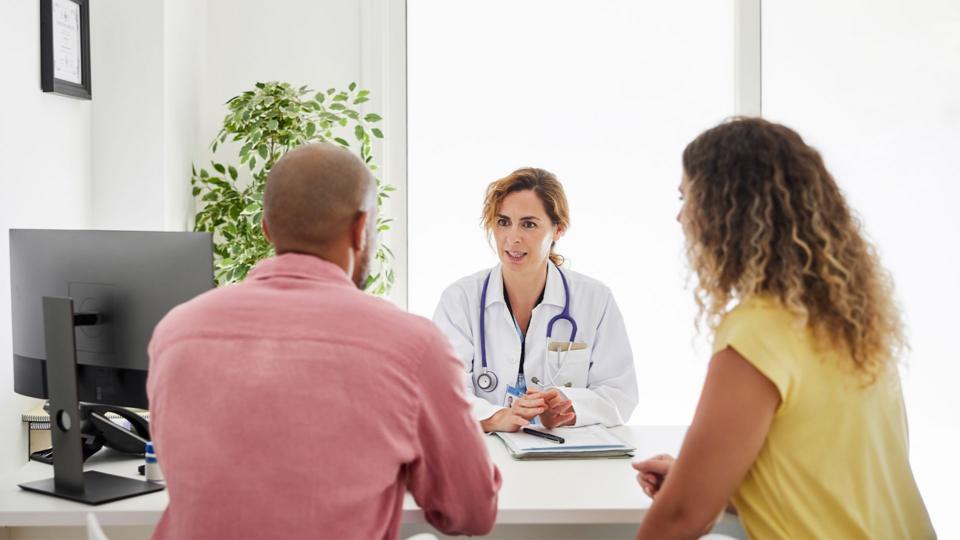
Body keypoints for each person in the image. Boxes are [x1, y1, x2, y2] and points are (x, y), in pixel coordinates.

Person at [147, 144, 501, 540]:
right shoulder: (412, 346)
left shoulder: (176, 332)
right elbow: (470, 512)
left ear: (266, 228)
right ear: (359, 229)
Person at [632, 118, 935, 539]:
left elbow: (683, 515)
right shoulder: (854, 325)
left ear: (727, 210)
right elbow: (826, 479)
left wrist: (689, 493)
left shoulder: (757, 331)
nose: (681, 217)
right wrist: (703, 479)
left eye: (688, 197)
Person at [433, 167, 638, 433]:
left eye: (528, 224)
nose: (513, 238)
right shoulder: (459, 300)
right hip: (487, 453)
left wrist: (569, 410)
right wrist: (496, 417)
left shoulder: (595, 299)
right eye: (503, 222)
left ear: (558, 230)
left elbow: (620, 393)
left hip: (564, 456)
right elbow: (441, 391)